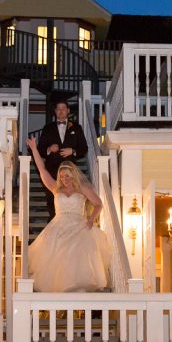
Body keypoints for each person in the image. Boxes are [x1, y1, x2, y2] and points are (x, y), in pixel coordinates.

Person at [26, 137, 111, 292]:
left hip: (79, 226)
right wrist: (34, 149)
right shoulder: (55, 189)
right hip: (58, 227)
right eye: (62, 176)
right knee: (58, 262)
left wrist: (91, 219)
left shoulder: (82, 188)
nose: (64, 179)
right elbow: (42, 170)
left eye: (67, 176)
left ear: (73, 175)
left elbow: (99, 204)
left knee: (77, 262)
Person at [35, 96, 89, 219]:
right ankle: (54, 223)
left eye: (63, 108)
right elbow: (40, 149)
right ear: (55, 111)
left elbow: (84, 148)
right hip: (52, 170)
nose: (61, 111)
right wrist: (49, 149)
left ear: (68, 111)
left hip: (70, 172)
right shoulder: (48, 128)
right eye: (58, 109)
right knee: (52, 198)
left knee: (73, 196)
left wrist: (73, 151)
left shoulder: (76, 128)